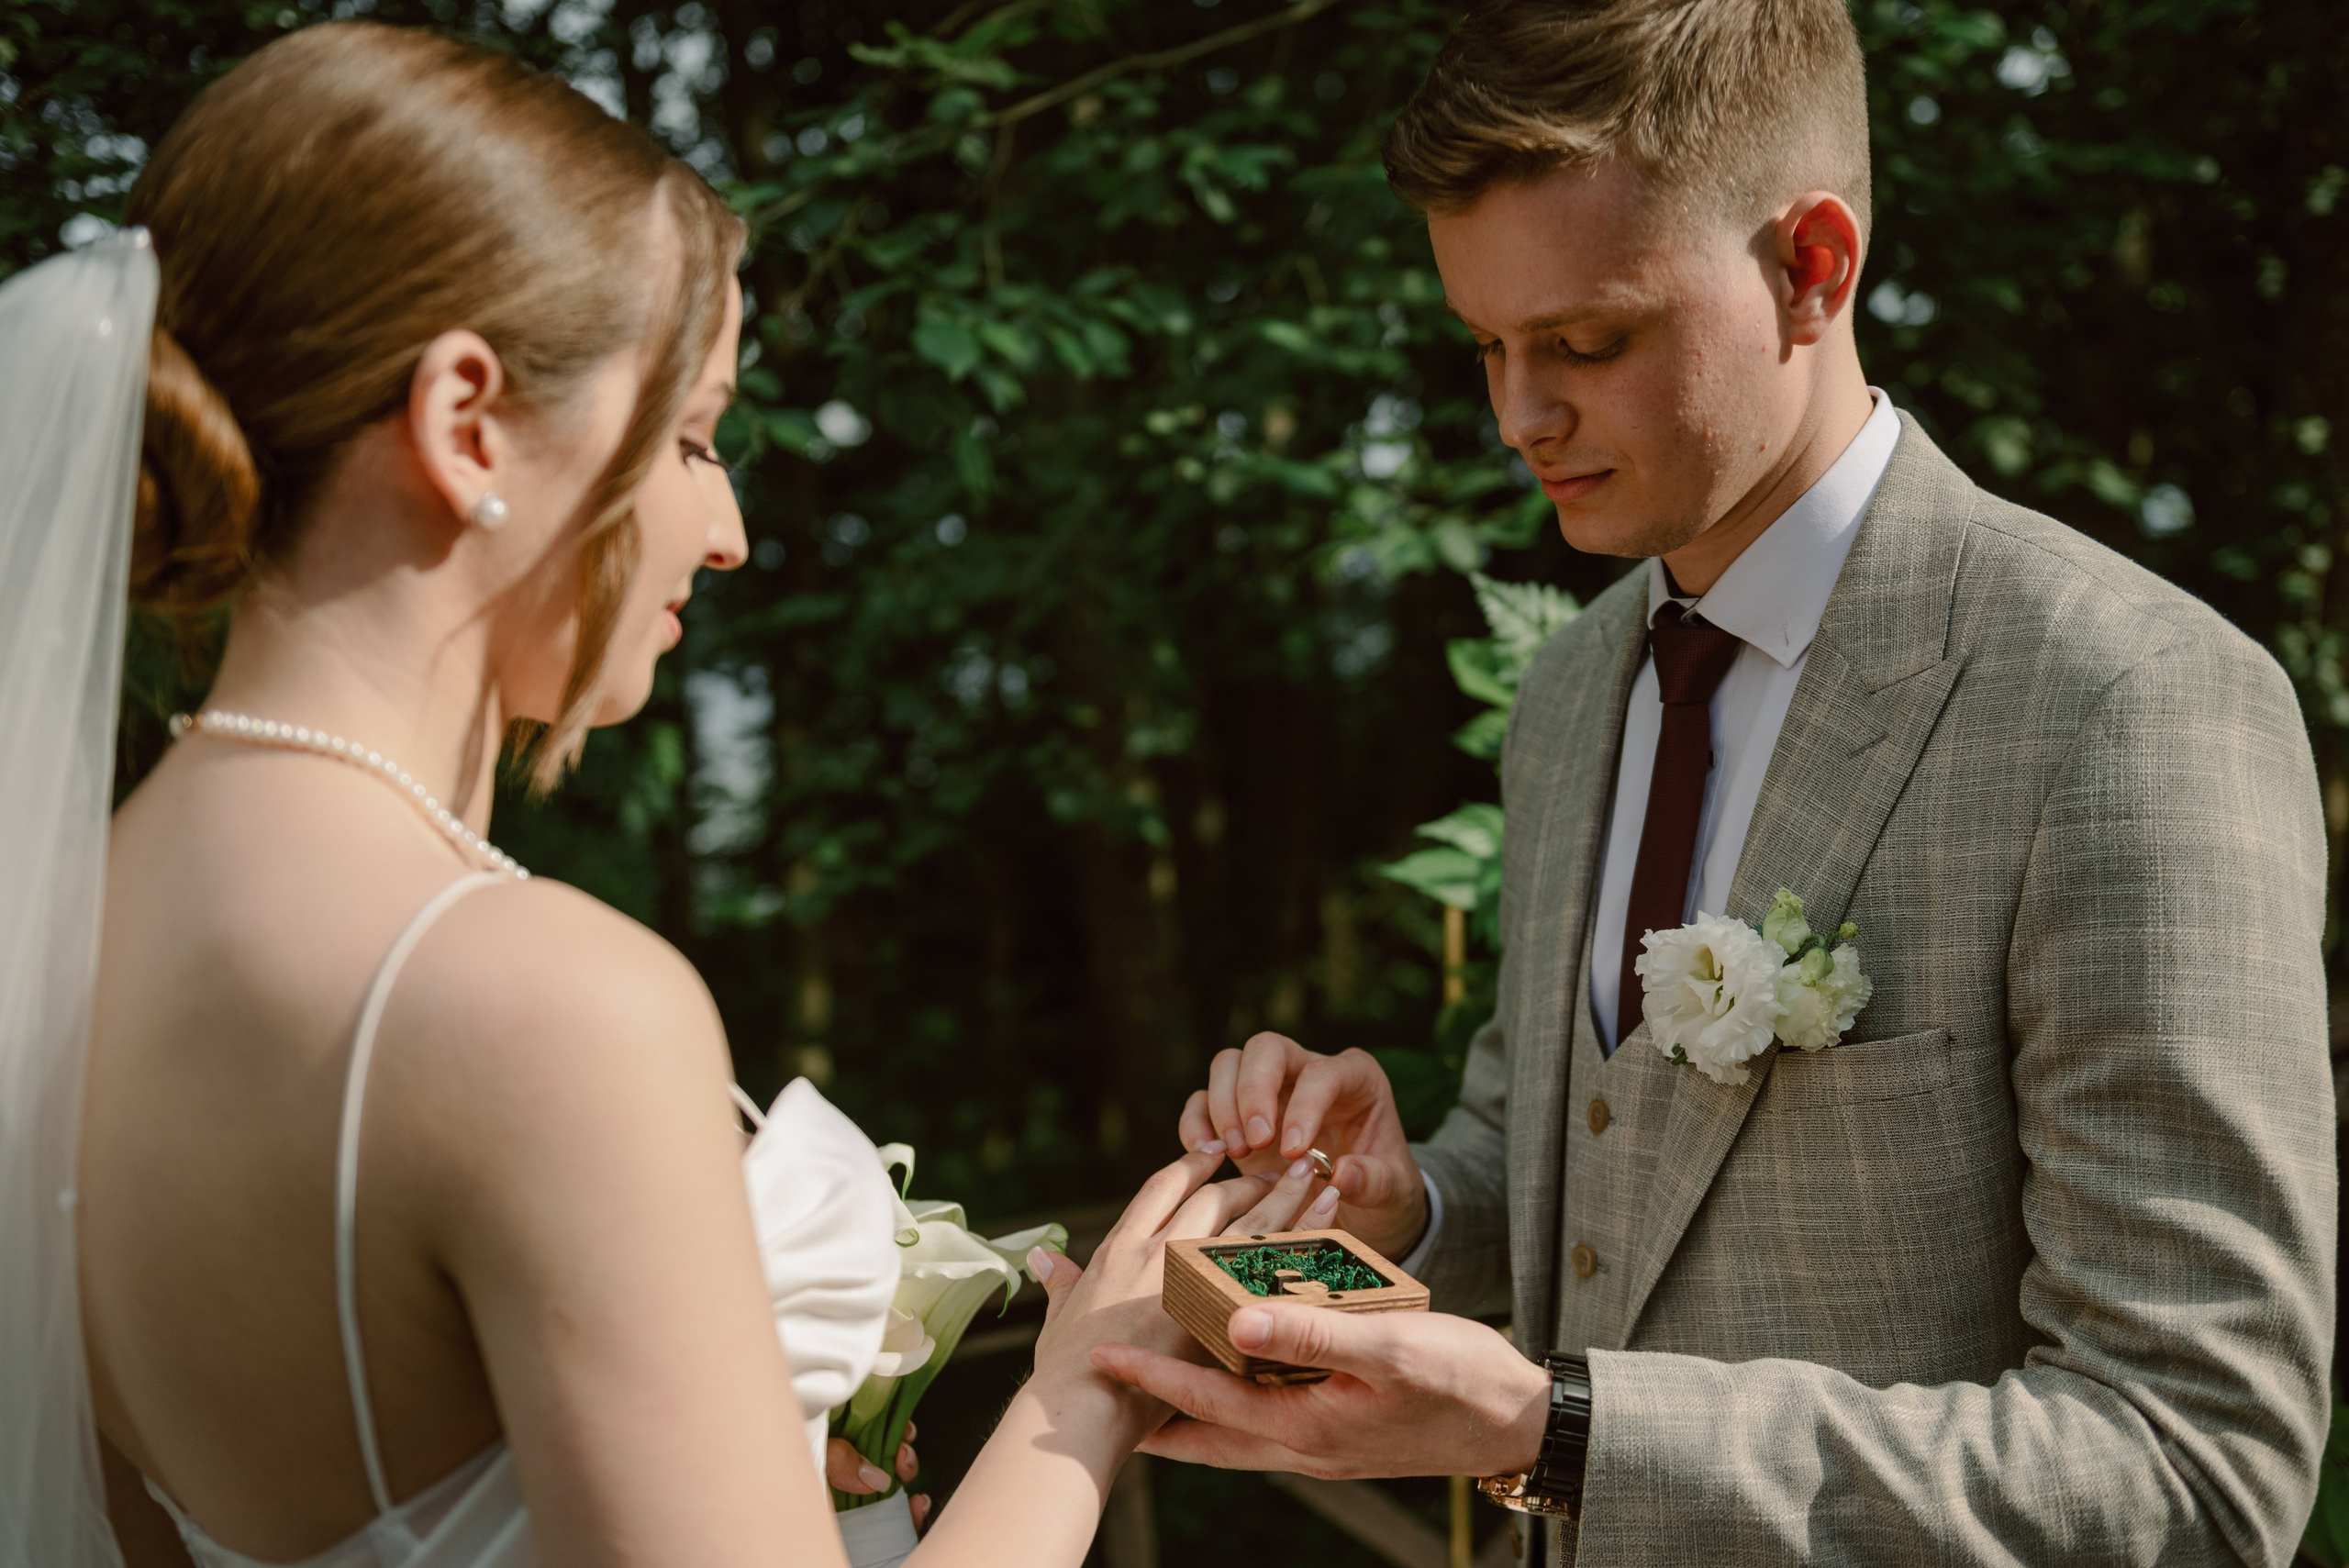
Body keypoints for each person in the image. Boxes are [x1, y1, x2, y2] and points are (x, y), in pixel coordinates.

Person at [0, 23, 1343, 1568]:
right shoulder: (538, 1003)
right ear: (468, 424)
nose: (727, 530)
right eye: (693, 435)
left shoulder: (57, 941)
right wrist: (1087, 1381)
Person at [1095, 0, 2338, 1562]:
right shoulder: (1570, 694)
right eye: (1486, 343)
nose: (1518, 415)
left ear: (1813, 266)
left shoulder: (2125, 701)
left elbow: (2195, 1464)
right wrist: (1410, 1202)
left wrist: (1555, 1431)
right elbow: (1602, 1191)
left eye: (1588, 340)